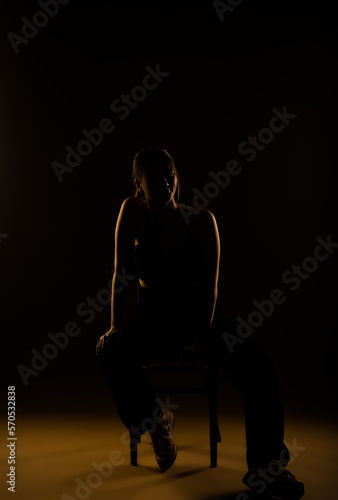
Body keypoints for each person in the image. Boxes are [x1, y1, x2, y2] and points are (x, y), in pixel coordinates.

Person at [95, 146, 304, 499]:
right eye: (155, 175)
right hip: (154, 319)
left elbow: (210, 290)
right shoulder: (132, 212)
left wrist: (198, 339)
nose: (165, 180)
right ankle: (157, 421)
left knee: (259, 363)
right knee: (108, 350)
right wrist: (115, 326)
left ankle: (267, 471)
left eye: (170, 173)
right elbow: (120, 277)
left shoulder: (202, 221)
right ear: (138, 184)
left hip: (201, 318)